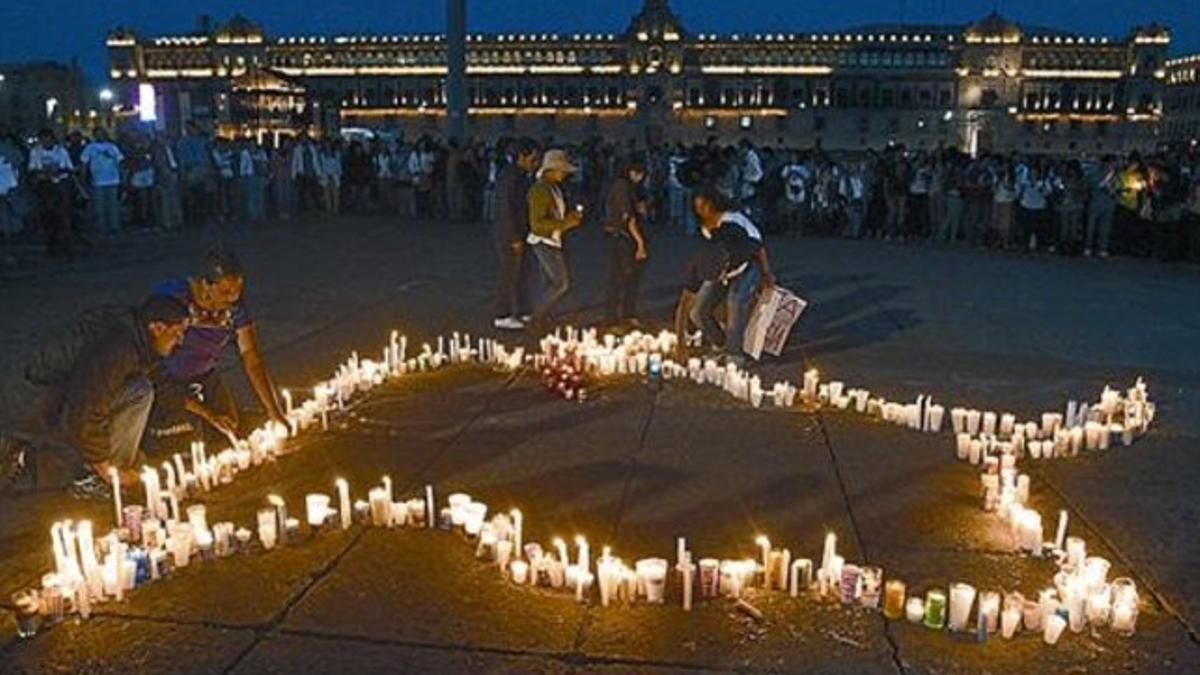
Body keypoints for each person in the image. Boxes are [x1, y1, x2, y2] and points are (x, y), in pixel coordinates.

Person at [26, 295, 189, 497]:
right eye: (178, 333)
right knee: (139, 391)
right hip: (39, 399)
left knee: (139, 388)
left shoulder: (139, 338)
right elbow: (86, 407)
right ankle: (96, 480)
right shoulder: (118, 348)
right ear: (157, 328)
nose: (181, 341)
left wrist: (208, 414)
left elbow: (162, 381)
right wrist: (106, 469)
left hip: (62, 394)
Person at [149, 249, 287, 444]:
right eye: (225, 292)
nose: (232, 298)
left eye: (237, 291)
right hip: (167, 381)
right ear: (206, 284)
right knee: (179, 441)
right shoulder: (174, 297)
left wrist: (274, 411)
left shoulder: (235, 309)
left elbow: (251, 357)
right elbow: (150, 349)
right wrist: (205, 412)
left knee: (228, 429)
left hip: (205, 376)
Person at [690, 186, 776, 364]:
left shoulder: (735, 220)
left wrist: (767, 272)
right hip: (721, 272)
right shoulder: (704, 227)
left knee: (735, 303)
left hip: (746, 268)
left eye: (703, 205)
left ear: (713, 203)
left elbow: (758, 245)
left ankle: (734, 354)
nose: (700, 210)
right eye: (696, 206)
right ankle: (720, 344)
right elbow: (709, 256)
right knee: (699, 311)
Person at [526, 149, 584, 328]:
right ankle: (536, 317)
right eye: (562, 170)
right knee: (560, 283)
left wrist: (568, 218)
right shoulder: (540, 189)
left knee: (549, 283)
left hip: (552, 239)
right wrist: (566, 223)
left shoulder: (553, 188)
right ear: (552, 170)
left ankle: (543, 316)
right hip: (544, 241)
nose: (565, 174)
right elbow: (537, 223)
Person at [492, 138, 538, 330]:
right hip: (510, 234)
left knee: (522, 273)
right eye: (532, 158)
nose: (534, 163)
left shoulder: (520, 175)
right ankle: (502, 314)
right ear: (521, 157)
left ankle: (523, 310)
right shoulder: (512, 177)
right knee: (509, 274)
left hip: (520, 231)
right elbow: (506, 209)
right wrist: (513, 237)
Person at [602, 158, 649, 326]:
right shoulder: (622, 187)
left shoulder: (629, 187)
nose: (641, 177)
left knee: (627, 277)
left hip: (623, 236)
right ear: (631, 172)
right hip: (622, 237)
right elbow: (628, 219)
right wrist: (640, 244)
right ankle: (613, 317)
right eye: (640, 173)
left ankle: (625, 314)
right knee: (620, 277)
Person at [28, 128, 77, 258]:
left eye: (48, 139)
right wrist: (43, 174)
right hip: (44, 187)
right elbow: (32, 170)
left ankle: (66, 247)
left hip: (60, 186)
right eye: (43, 140)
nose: (46, 142)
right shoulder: (35, 152)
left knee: (63, 217)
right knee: (48, 217)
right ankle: (51, 246)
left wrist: (58, 171)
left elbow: (69, 169)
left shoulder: (61, 151)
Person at [80, 128, 125, 235]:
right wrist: (83, 177)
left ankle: (114, 226)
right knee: (98, 206)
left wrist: (122, 177)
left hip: (113, 179)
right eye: (97, 134)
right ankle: (100, 227)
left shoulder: (112, 147)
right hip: (97, 180)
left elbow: (120, 161)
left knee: (113, 205)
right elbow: (84, 163)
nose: (100, 136)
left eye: (101, 134)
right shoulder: (90, 148)